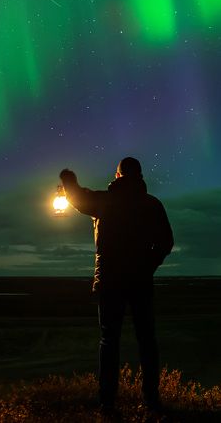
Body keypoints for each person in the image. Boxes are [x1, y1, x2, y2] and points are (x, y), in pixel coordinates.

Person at [59, 157, 174, 413]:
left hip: (110, 282)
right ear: (140, 176)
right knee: (147, 340)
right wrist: (148, 266)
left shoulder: (106, 201)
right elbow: (166, 242)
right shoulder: (152, 204)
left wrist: (68, 179)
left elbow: (78, 198)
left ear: (118, 175)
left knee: (109, 340)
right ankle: (152, 400)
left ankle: (107, 402)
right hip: (141, 282)